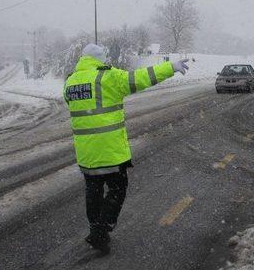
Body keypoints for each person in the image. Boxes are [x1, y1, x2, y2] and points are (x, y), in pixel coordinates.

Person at [63, 43, 189, 251]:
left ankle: (96, 228)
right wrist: (170, 67)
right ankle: (101, 230)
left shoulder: (70, 82)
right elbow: (139, 78)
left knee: (93, 191)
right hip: (110, 151)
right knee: (117, 188)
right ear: (100, 58)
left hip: (86, 153)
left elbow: (75, 105)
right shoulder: (108, 77)